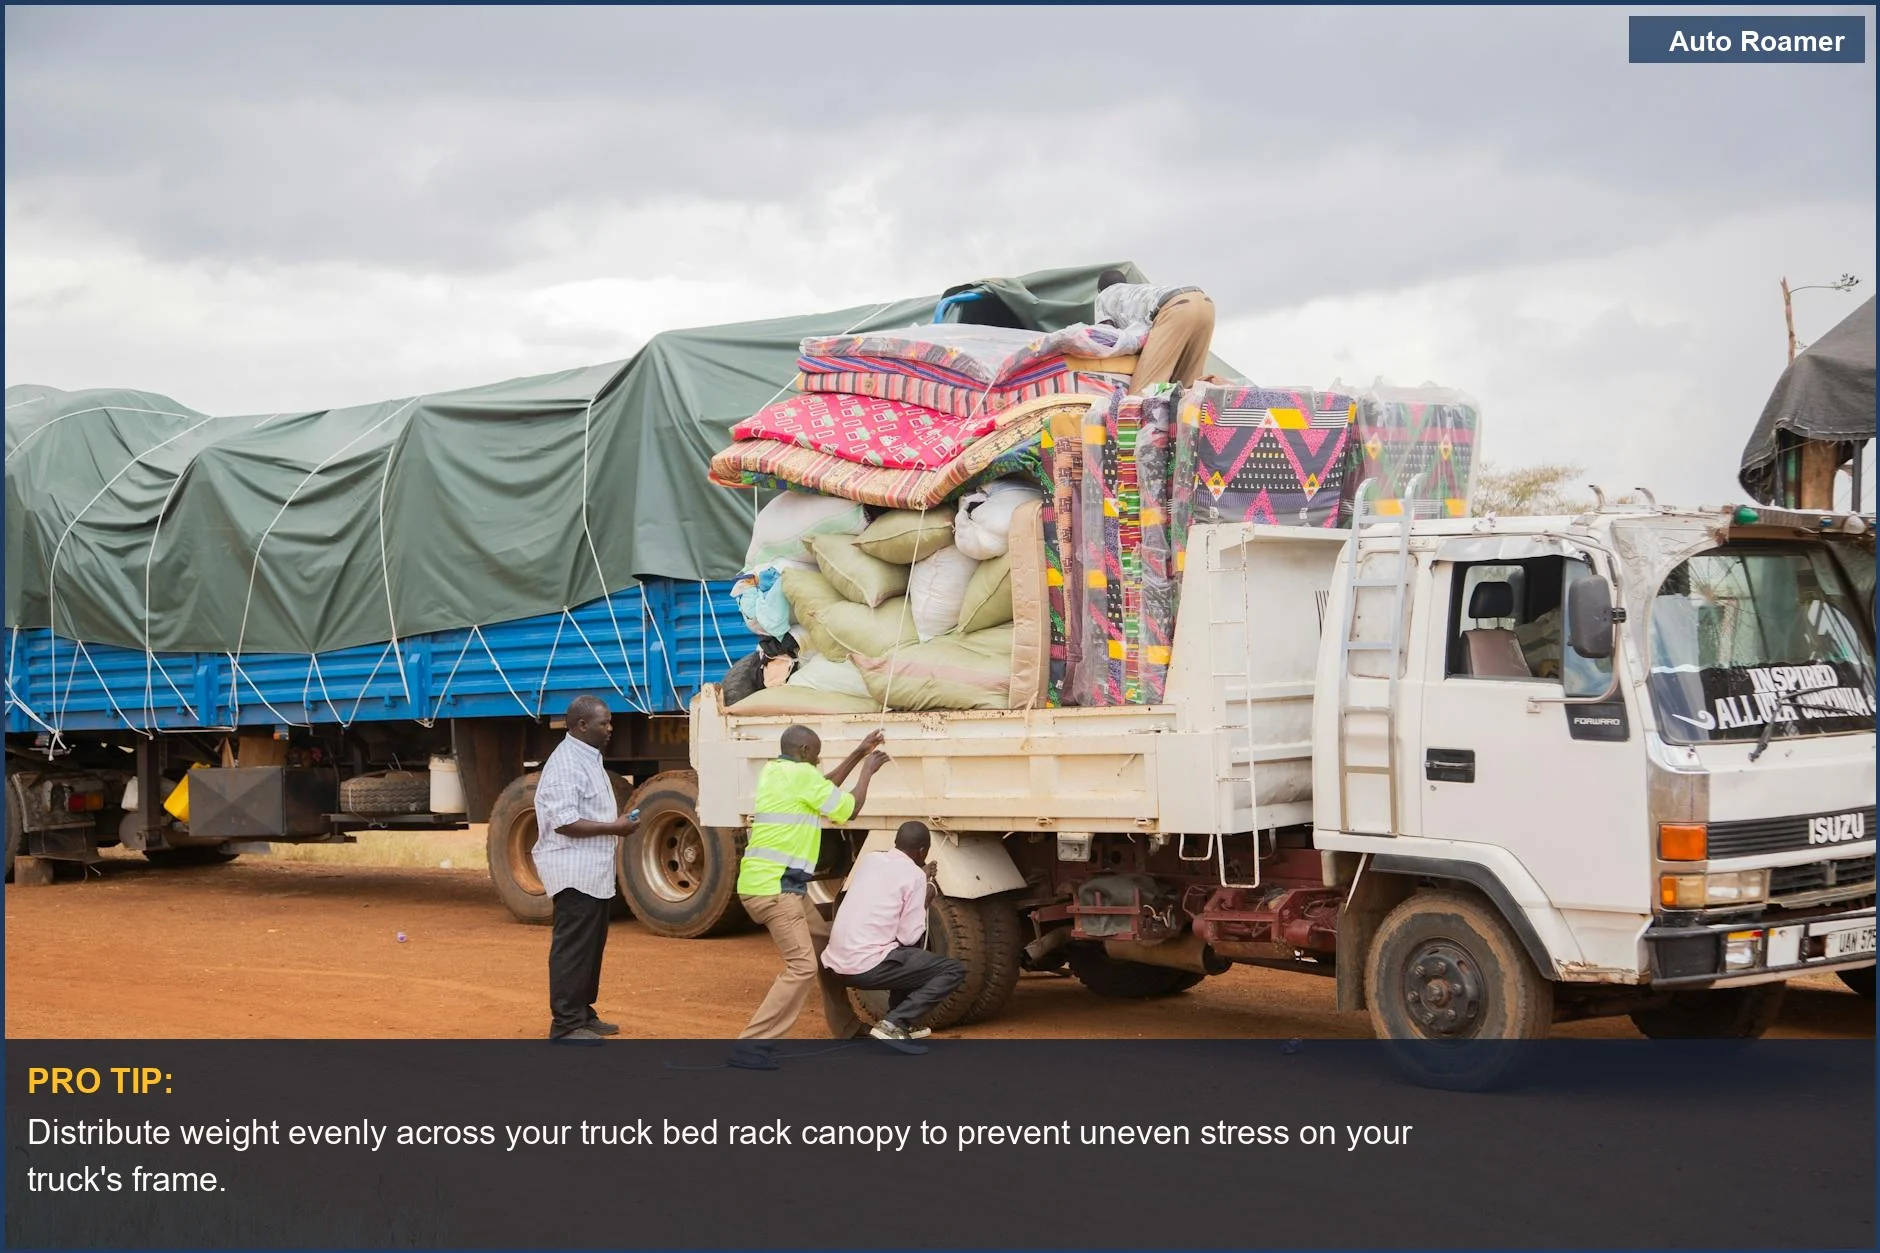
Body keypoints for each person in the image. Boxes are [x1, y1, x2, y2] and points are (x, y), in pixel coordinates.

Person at [731, 724, 890, 1068]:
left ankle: (846, 1028)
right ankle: (751, 1046)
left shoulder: (777, 771)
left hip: (777, 885)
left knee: (826, 952)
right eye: (816, 753)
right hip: (775, 890)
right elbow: (849, 809)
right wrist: (867, 771)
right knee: (802, 967)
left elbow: (822, 786)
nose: (818, 760)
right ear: (804, 751)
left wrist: (860, 751)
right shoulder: (802, 776)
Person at [532, 695, 640, 1044]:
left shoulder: (587, 757)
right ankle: (564, 1023)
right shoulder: (565, 764)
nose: (610, 729)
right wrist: (615, 827)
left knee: (592, 946)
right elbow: (564, 822)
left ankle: (583, 1013)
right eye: (603, 723)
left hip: (592, 870)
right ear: (581, 725)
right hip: (572, 868)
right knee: (574, 947)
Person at [821, 822, 965, 1047]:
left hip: (834, 966)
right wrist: (927, 892)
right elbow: (909, 937)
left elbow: (891, 881)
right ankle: (894, 1023)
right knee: (952, 970)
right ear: (923, 851)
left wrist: (919, 876)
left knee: (901, 954)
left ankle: (900, 1021)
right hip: (863, 968)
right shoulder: (915, 877)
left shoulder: (871, 860)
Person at [1093, 268, 1218, 392]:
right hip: (1205, 303)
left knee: (1146, 391)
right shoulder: (1136, 292)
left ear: (1100, 290)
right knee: (1188, 388)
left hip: (1174, 308)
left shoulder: (1104, 295)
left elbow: (1106, 336)